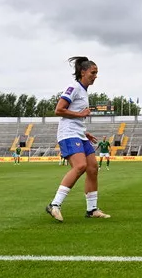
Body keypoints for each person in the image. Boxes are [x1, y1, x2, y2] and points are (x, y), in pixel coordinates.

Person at [45, 56, 110, 222]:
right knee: (81, 166)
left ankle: (92, 209)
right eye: (93, 72)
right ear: (83, 72)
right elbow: (59, 110)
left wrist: (84, 131)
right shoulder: (73, 87)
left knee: (93, 168)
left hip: (79, 134)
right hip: (68, 134)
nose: (95, 76)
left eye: (96, 73)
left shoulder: (84, 91)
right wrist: (81, 115)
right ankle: (55, 204)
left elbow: (74, 116)